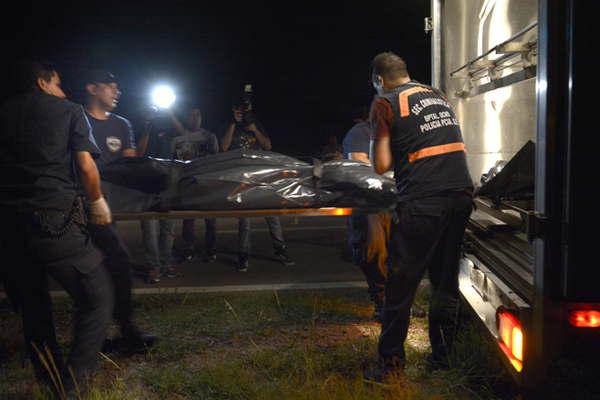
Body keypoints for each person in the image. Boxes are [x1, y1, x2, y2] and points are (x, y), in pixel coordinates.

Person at [0, 61, 113, 396]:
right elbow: (85, 165)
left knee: (35, 309)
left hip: (8, 228)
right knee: (97, 299)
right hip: (54, 222)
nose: (63, 91)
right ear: (42, 82)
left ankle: (48, 380)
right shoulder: (69, 111)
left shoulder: (3, 112)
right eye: (59, 84)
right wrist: (97, 202)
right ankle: (73, 387)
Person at [366, 52, 473, 380]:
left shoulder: (385, 102)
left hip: (423, 201)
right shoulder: (438, 96)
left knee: (401, 285)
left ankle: (391, 369)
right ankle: (442, 360)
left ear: (379, 80)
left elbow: (381, 164)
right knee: (444, 280)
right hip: (460, 196)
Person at [83, 69, 156, 352]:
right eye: (110, 86)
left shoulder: (123, 125)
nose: (117, 92)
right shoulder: (78, 120)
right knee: (114, 266)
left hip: (109, 211)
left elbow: (130, 164)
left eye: (118, 87)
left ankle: (109, 334)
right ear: (92, 88)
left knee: (106, 270)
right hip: (83, 207)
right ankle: (124, 332)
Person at [221, 102, 294, 272]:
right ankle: (243, 254)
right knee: (244, 220)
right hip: (242, 179)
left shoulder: (256, 124)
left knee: (272, 216)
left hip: (262, 176)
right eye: (238, 110)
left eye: (244, 110)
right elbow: (223, 147)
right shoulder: (229, 125)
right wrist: (233, 123)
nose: (241, 113)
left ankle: (280, 250)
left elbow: (268, 145)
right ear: (232, 110)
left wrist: (254, 129)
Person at [342, 106, 387, 321]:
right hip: (369, 205)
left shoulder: (396, 132)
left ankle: (396, 302)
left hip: (392, 202)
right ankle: (381, 301)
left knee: (399, 253)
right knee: (373, 251)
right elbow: (359, 163)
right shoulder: (360, 132)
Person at [169, 107, 219, 262]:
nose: (195, 118)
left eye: (198, 115)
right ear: (186, 118)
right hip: (187, 183)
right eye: (191, 115)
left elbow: (216, 159)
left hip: (206, 182)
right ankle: (188, 248)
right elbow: (172, 162)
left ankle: (210, 249)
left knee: (210, 219)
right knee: (188, 219)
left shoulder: (209, 136)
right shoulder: (177, 139)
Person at [137, 111, 177, 282]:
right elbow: (138, 153)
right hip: (146, 184)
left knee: (168, 229)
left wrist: (170, 113)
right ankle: (154, 267)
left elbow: (184, 134)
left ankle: (166, 263)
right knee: (149, 230)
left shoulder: (170, 126)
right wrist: (147, 127)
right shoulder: (142, 126)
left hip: (168, 183)